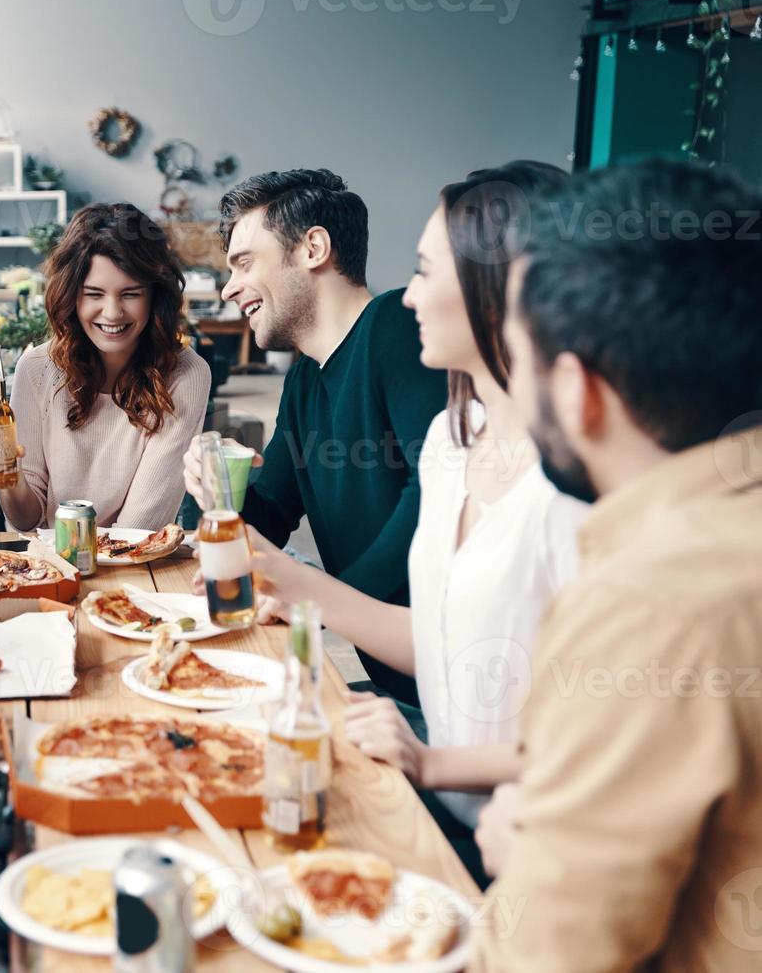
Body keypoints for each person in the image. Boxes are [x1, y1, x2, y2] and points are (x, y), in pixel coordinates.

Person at [243, 162, 586, 886]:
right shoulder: (453, 443)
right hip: (432, 773)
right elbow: (438, 637)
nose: (410, 293)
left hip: (528, 840)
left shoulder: (573, 488)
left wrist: (312, 592)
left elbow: (605, 743)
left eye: (428, 270)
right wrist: (270, 570)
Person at [468, 159, 762, 970]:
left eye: (516, 359)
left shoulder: (649, 608)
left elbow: (549, 960)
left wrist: (522, 866)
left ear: (575, 391)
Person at [184, 169, 448, 706]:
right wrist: (212, 491)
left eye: (244, 263)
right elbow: (269, 515)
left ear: (314, 247)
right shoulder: (305, 377)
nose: (231, 287)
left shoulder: (394, 325)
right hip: (388, 690)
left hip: (449, 694)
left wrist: (325, 597)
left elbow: (435, 489)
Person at [0, 203, 211, 531]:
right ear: (71, 296)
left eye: (130, 294)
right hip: (44, 568)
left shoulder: (186, 374)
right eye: (94, 294)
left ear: (155, 296)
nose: (112, 313)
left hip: (133, 569)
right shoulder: (37, 368)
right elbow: (25, 519)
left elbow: (138, 531)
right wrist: (7, 472)